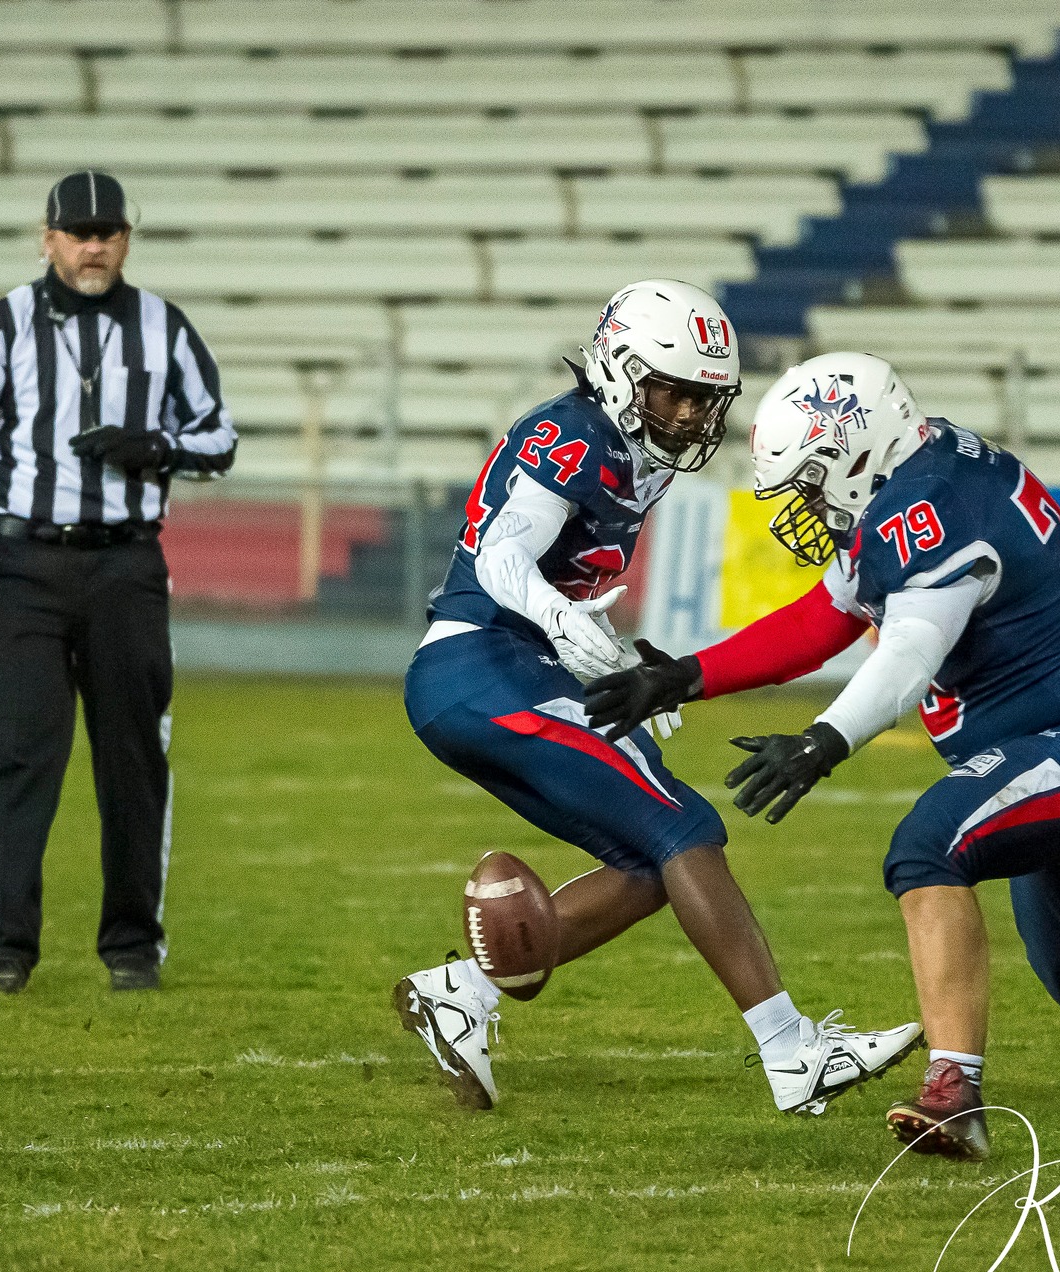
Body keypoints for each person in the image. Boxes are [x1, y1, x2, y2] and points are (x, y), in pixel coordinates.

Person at [585, 354, 1060, 1161]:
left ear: (856, 453)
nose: (809, 505)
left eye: (814, 481)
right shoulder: (919, 476)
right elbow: (826, 618)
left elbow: (909, 650)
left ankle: (953, 1093)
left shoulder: (927, 504)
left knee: (928, 845)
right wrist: (686, 675)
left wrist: (824, 740)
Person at [394, 282, 922, 1115]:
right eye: (672, 391)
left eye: (703, 399)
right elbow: (499, 558)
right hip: (481, 663)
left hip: (519, 667)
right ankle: (791, 1052)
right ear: (620, 370)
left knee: (653, 863)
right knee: (684, 828)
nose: (687, 415)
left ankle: (463, 993)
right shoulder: (573, 431)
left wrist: (615, 652)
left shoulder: (629, 447)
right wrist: (562, 619)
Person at [0, 170, 235, 995]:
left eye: (109, 231)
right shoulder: (3, 325)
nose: (94, 245)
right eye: (78, 231)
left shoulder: (163, 327)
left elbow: (220, 436)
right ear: (47, 236)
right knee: (19, 750)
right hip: (24, 564)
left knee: (133, 754)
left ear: (128, 237)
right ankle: (6, 946)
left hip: (127, 564)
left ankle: (132, 943)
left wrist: (155, 447)